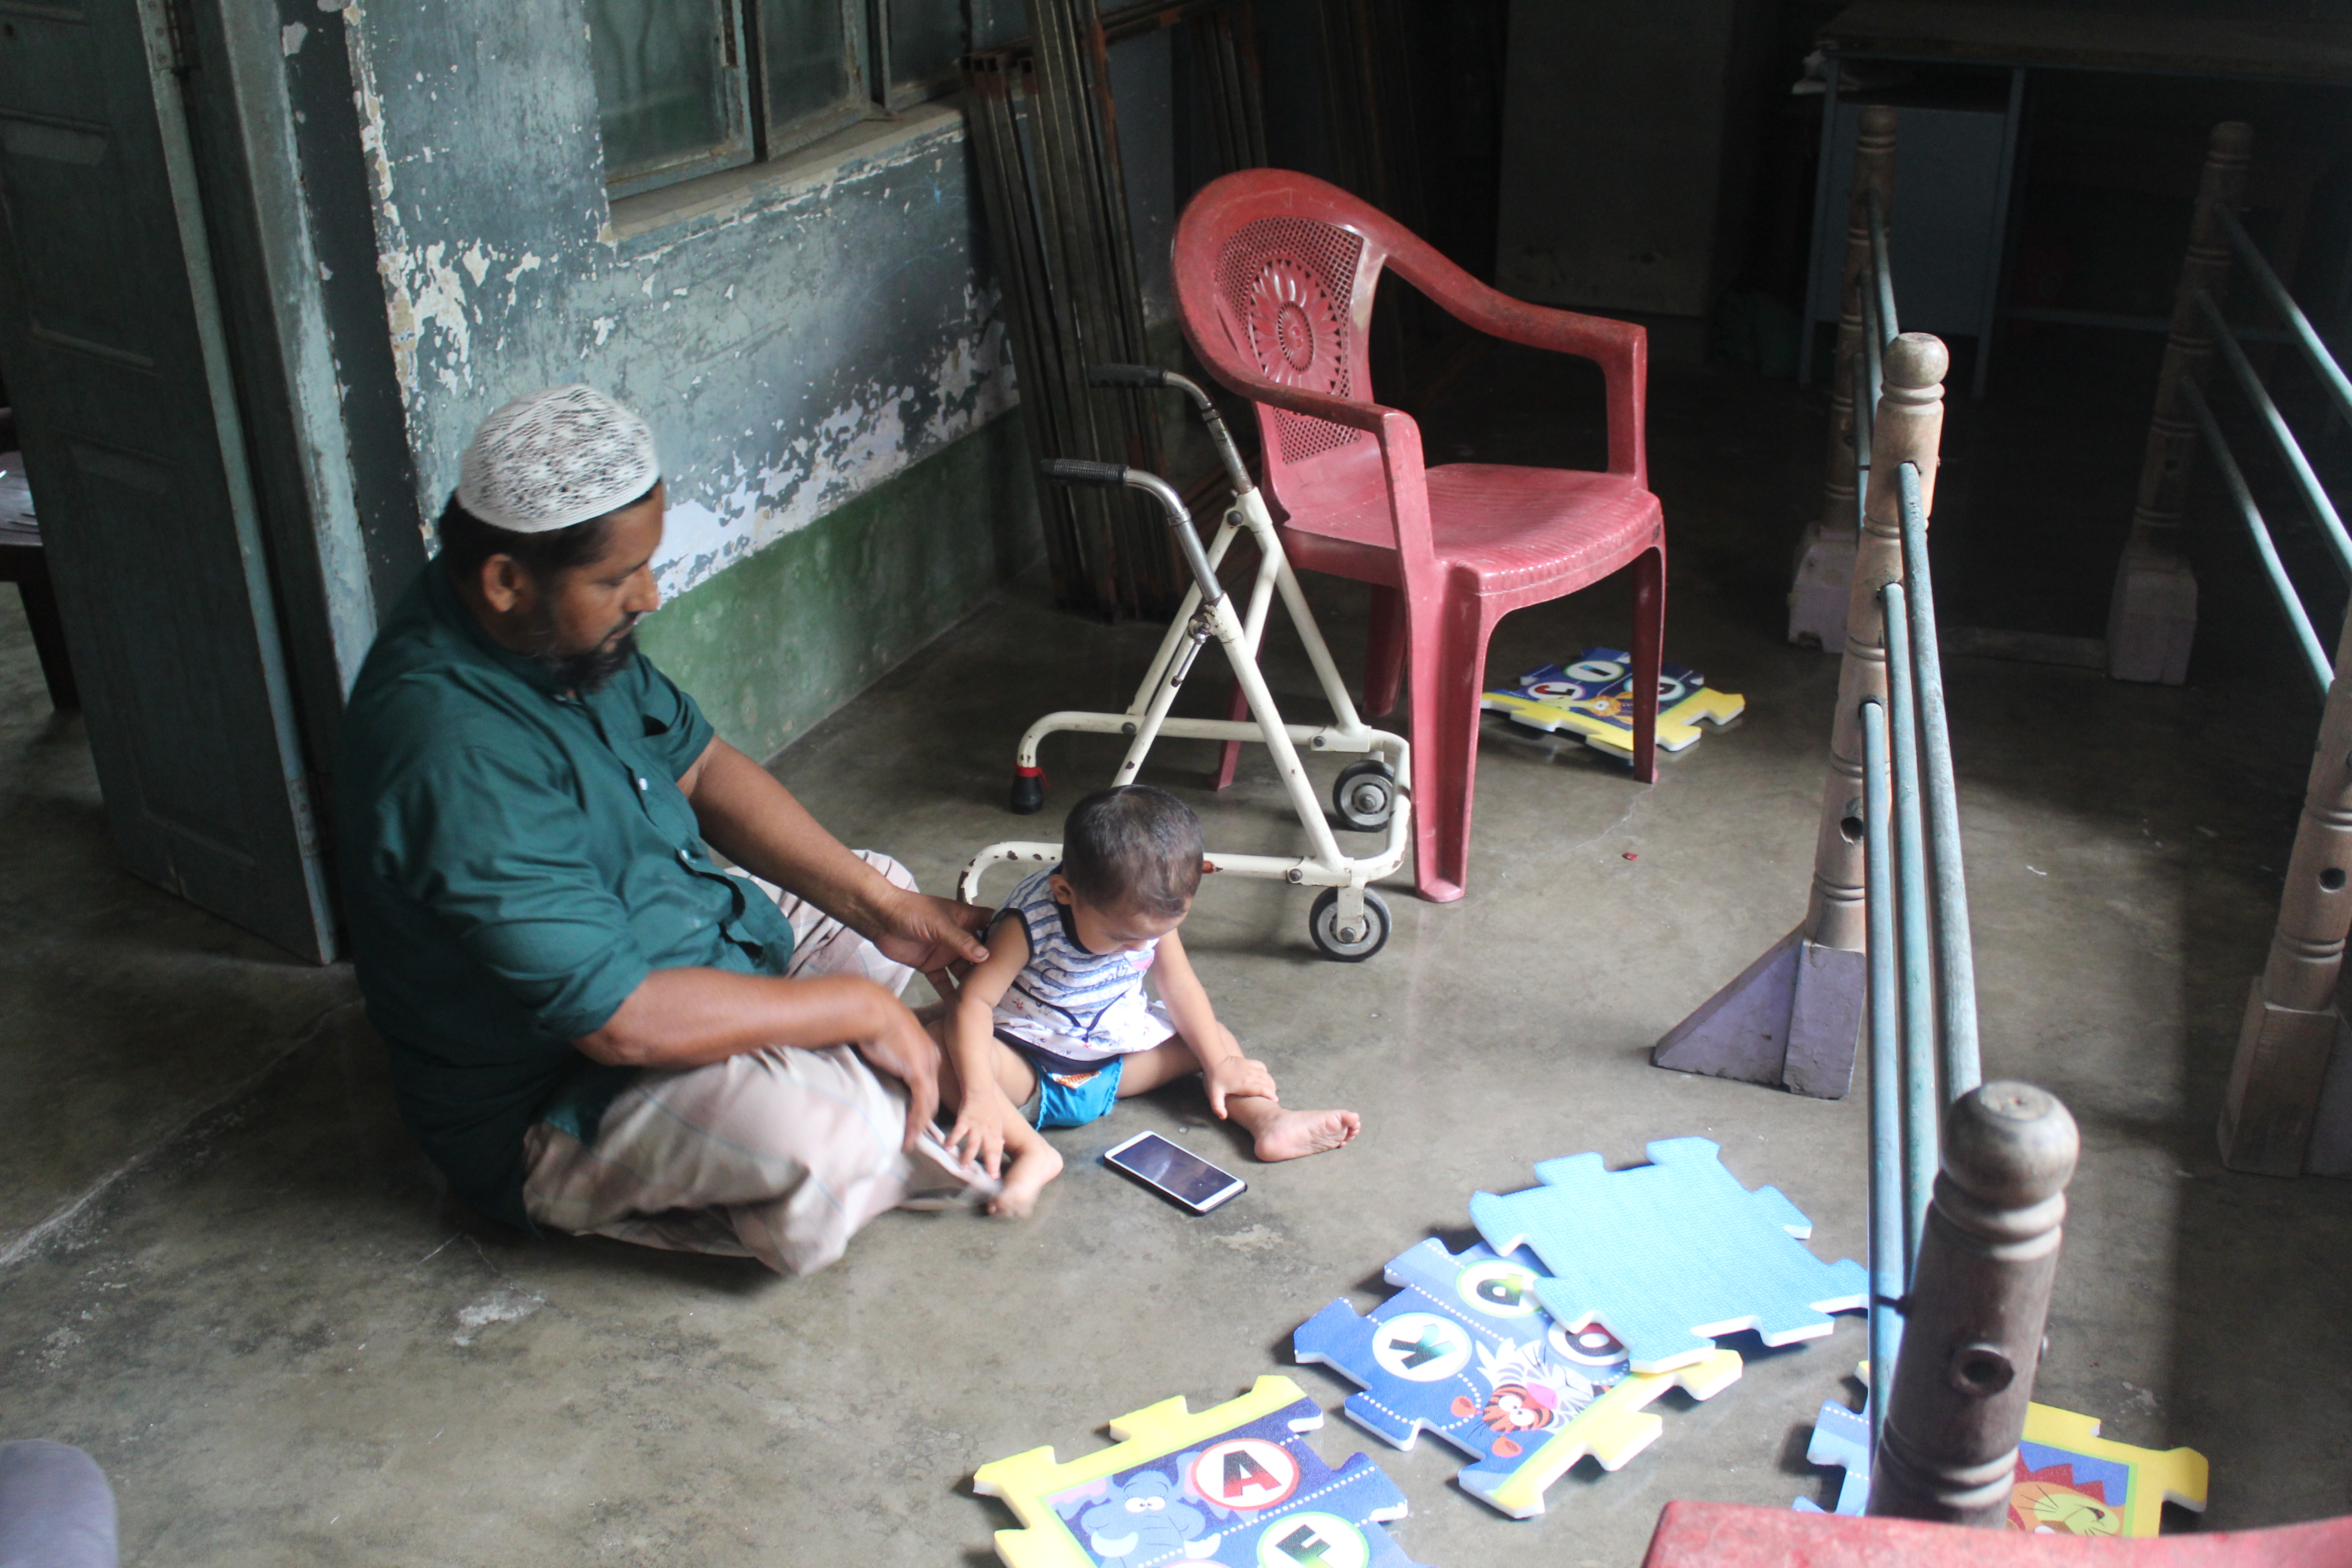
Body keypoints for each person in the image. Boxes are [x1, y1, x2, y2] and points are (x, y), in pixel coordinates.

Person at [337, 385, 994, 1277]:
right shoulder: (448, 746)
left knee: (880, 890)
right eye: (617, 579)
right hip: (566, 1084)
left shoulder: (556, 630)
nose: (649, 595)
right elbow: (619, 1024)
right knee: (835, 1141)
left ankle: (867, 1072)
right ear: (504, 580)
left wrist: (880, 904)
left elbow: (703, 767)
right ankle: (853, 1116)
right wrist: (856, 1008)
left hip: (683, 943)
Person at [938, 785, 1361, 1215]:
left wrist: (1219, 1064)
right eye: (1121, 937)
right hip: (1031, 1069)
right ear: (1065, 892)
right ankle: (1031, 1152)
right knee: (943, 1051)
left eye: (1152, 936)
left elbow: (1179, 984)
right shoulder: (1029, 923)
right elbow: (971, 1003)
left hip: (1118, 1066)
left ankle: (1267, 1120)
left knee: (1213, 1038)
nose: (1138, 949)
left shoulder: (1145, 906)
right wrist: (977, 1096)